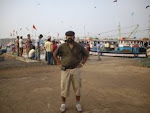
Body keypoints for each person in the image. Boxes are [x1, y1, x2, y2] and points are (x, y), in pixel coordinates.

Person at [53, 31, 89, 113]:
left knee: (77, 87)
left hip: (76, 69)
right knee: (64, 88)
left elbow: (86, 54)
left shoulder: (79, 46)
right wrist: (58, 63)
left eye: (71, 36)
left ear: (74, 37)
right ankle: (63, 104)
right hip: (65, 70)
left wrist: (82, 63)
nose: (69, 37)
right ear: (66, 37)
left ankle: (78, 104)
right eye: (68, 36)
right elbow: (54, 54)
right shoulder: (62, 46)